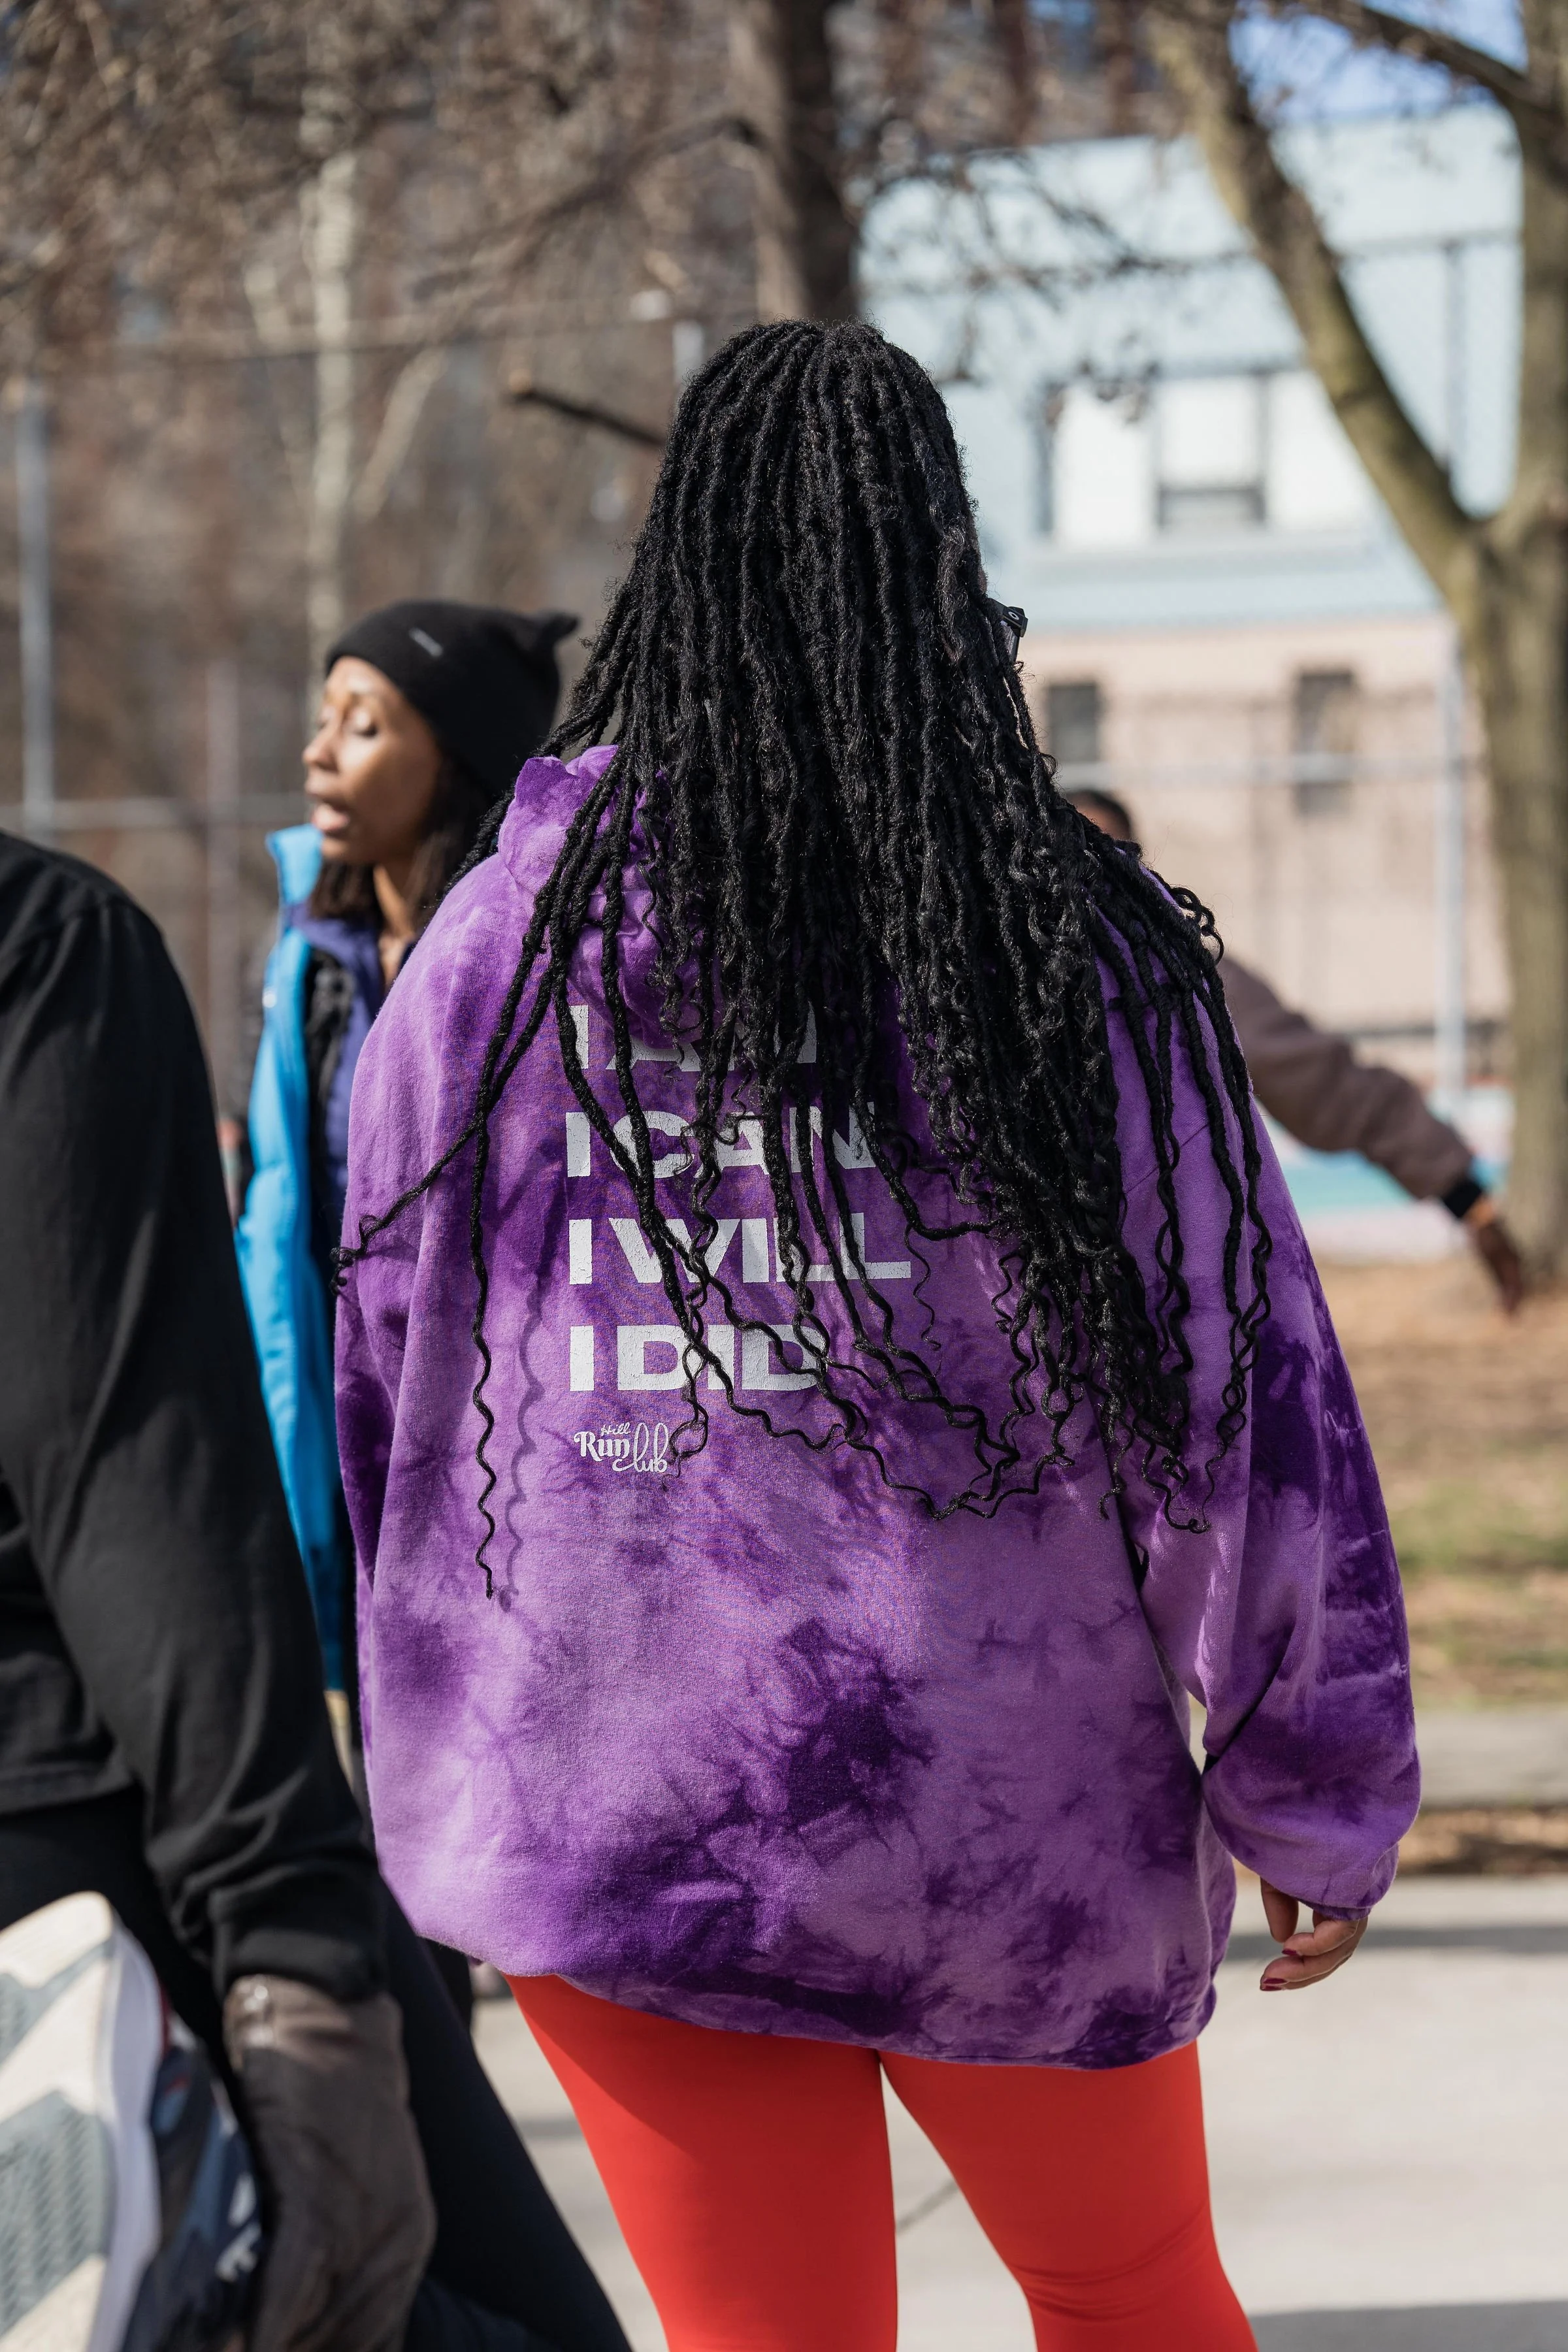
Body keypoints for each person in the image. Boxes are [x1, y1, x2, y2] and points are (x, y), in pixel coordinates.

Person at [334, 322, 1420, 2352]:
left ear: (675, 564)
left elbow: (391, 1368)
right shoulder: (1073, 953)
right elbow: (1248, 1398)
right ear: (947, 564)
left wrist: (413, 1717)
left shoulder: (501, 949)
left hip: (614, 1787)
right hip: (997, 1799)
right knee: (1130, 2300)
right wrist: (1309, 1778)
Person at [0, 826, 632, 2352]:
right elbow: (123, 1476)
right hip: (85, 1848)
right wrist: (294, 1959)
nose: (319, 757)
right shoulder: (45, 943)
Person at [238, 600, 574, 2019]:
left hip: (495, 1445)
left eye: (365, 722)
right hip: (327, 1419)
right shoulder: (305, 961)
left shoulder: (521, 960)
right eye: (326, 716)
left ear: (458, 759)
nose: (320, 752)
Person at [1068, 787, 1525, 1311]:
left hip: (1142, 1269)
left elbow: (1327, 1087)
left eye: (1104, 851)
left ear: (1136, 867)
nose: (1084, 870)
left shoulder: (1181, 977)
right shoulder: (980, 979)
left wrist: (1470, 1202)